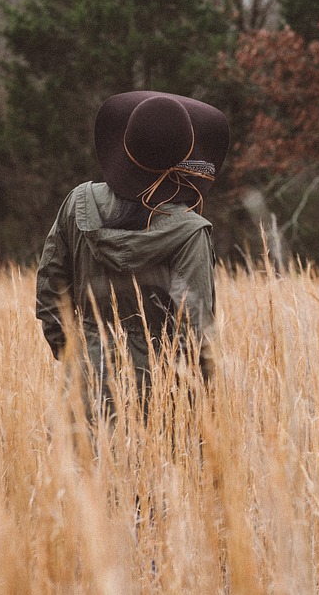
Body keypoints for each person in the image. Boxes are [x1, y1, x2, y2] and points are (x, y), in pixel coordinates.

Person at [34, 91, 229, 420]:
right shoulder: (190, 233)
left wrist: (79, 357)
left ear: (126, 145)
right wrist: (203, 415)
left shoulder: (78, 202)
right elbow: (196, 338)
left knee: (81, 471)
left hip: (81, 396)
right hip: (158, 409)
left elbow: (50, 296)